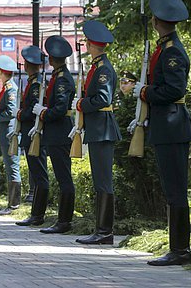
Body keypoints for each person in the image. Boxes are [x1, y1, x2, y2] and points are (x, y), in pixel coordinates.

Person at [131, 0, 191, 266]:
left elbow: (174, 89)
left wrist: (144, 92)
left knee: (175, 189)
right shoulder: (165, 48)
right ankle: (176, 247)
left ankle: (180, 250)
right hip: (166, 124)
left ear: (156, 20)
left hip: (172, 124)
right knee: (172, 188)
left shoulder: (173, 52)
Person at [74, 20, 122, 245]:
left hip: (102, 128)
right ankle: (101, 230)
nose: (85, 46)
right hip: (98, 128)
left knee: (103, 181)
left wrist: (82, 104)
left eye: (86, 43)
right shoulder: (98, 66)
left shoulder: (103, 69)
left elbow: (103, 98)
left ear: (91, 45)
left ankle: (104, 232)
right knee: (99, 180)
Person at [31, 35, 76, 234]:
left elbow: (59, 109)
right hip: (56, 133)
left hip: (60, 132)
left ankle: (64, 221)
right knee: (61, 177)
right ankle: (62, 219)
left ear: (51, 60)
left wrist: (42, 112)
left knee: (64, 178)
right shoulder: (58, 76)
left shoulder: (62, 79)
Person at [15, 46, 49, 227]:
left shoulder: (36, 85)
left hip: (34, 132)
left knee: (39, 174)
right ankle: (35, 213)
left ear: (28, 65)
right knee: (36, 173)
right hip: (30, 133)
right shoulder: (33, 82)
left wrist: (20, 114)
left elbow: (34, 110)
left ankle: (38, 214)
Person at [0, 55, 21, 215]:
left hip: (9, 132)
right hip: (5, 132)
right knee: (10, 167)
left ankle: (14, 204)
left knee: (12, 167)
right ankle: (11, 202)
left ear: (1, 72)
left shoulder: (11, 89)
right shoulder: (6, 87)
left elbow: (10, 111)